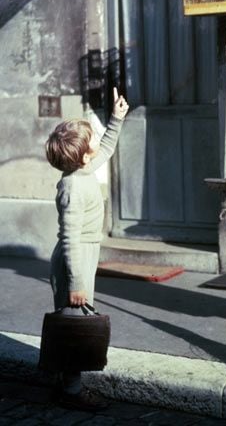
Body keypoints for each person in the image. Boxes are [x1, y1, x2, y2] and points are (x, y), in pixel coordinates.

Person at [45, 87, 129, 409]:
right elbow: (69, 239)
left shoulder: (81, 170)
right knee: (75, 325)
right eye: (91, 136)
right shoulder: (73, 187)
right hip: (73, 262)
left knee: (73, 321)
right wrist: (77, 283)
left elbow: (104, 149)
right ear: (82, 155)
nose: (96, 138)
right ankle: (72, 390)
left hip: (83, 256)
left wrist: (116, 119)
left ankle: (63, 382)